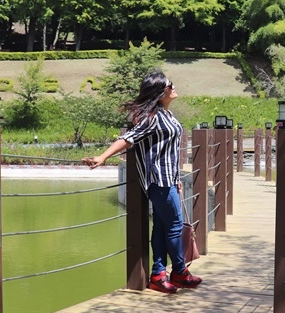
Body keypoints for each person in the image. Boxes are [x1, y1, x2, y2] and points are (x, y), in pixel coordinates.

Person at [82, 70, 202, 294]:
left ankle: (158, 274)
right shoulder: (152, 118)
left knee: (161, 227)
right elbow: (128, 138)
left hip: (168, 179)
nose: (174, 88)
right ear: (160, 92)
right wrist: (102, 157)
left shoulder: (167, 115)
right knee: (174, 227)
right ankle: (179, 272)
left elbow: (170, 151)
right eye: (170, 85)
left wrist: (176, 179)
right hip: (158, 180)